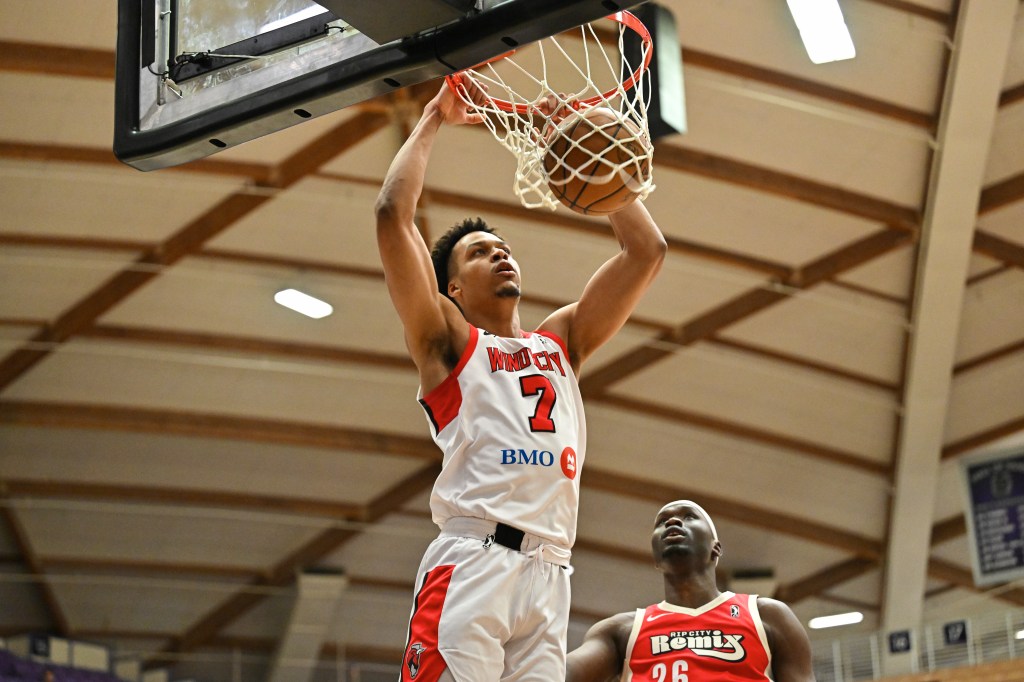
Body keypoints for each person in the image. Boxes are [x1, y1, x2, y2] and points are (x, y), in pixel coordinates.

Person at [374, 80, 666, 682]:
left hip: (550, 573)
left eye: (503, 246)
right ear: (452, 289)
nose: (501, 253)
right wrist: (432, 117)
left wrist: (589, 159)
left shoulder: (560, 341)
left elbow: (647, 250)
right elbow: (391, 217)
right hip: (474, 561)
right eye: (480, 253)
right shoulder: (448, 341)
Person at [565, 500, 816, 682]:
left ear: (715, 548)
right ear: (655, 558)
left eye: (689, 517)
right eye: (662, 522)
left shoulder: (767, 615)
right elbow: (558, 673)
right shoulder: (621, 631)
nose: (672, 521)